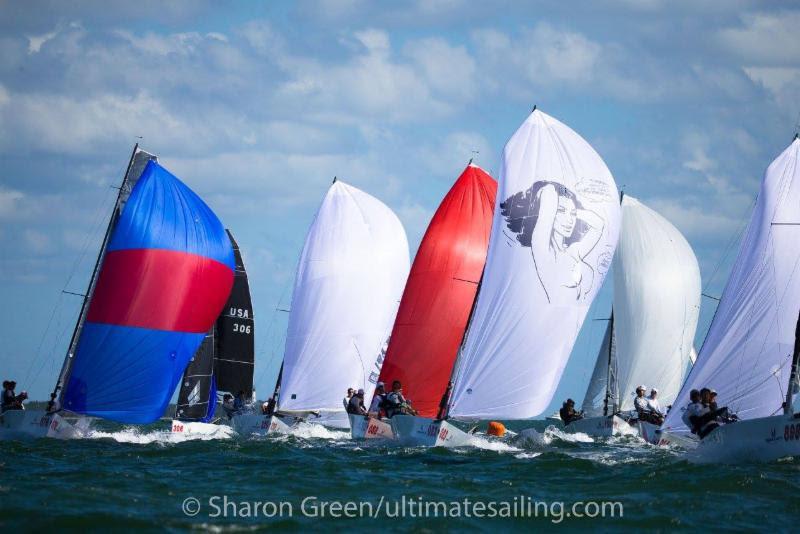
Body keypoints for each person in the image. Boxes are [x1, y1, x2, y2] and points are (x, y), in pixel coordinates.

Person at [500, 181, 605, 304]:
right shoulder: (544, 252)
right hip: (555, 319)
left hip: (574, 322)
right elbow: (549, 193)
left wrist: (574, 211)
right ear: (550, 212)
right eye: (560, 211)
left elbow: (599, 224)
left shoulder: (574, 251)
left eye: (572, 214)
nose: (570, 220)